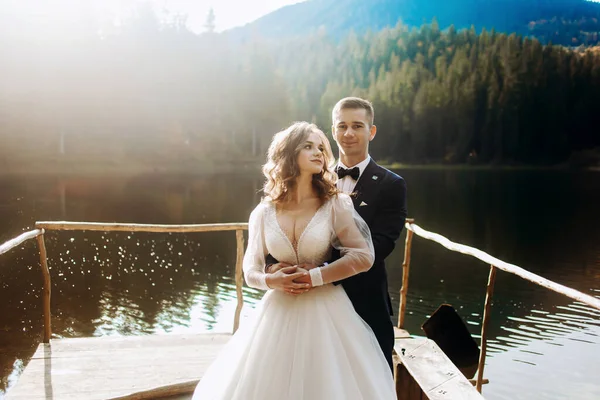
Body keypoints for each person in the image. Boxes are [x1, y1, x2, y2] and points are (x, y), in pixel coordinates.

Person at [192, 121, 396, 399]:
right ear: (288, 154)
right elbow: (250, 270)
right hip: (277, 313)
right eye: (308, 146)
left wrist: (316, 276)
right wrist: (271, 279)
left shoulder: (335, 203)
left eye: (322, 148)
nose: (319, 153)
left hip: (326, 312)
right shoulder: (263, 212)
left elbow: (363, 256)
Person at [267, 97, 408, 371]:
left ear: (372, 131)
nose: (349, 133)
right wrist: (274, 266)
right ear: (333, 131)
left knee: (372, 377)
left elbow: (381, 244)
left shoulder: (392, 185)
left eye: (357, 126)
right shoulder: (309, 176)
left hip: (364, 300)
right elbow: (279, 228)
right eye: (342, 126)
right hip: (306, 302)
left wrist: (322, 271)